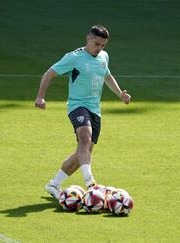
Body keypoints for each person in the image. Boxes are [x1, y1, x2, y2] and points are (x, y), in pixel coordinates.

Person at [35, 25, 131, 199]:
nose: (99, 48)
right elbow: (49, 74)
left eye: (103, 45)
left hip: (95, 109)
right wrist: (40, 97)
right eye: (97, 44)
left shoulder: (103, 57)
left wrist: (120, 94)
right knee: (85, 138)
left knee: (84, 152)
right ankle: (90, 182)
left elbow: (107, 76)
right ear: (88, 38)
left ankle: (54, 184)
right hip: (77, 106)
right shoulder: (74, 58)